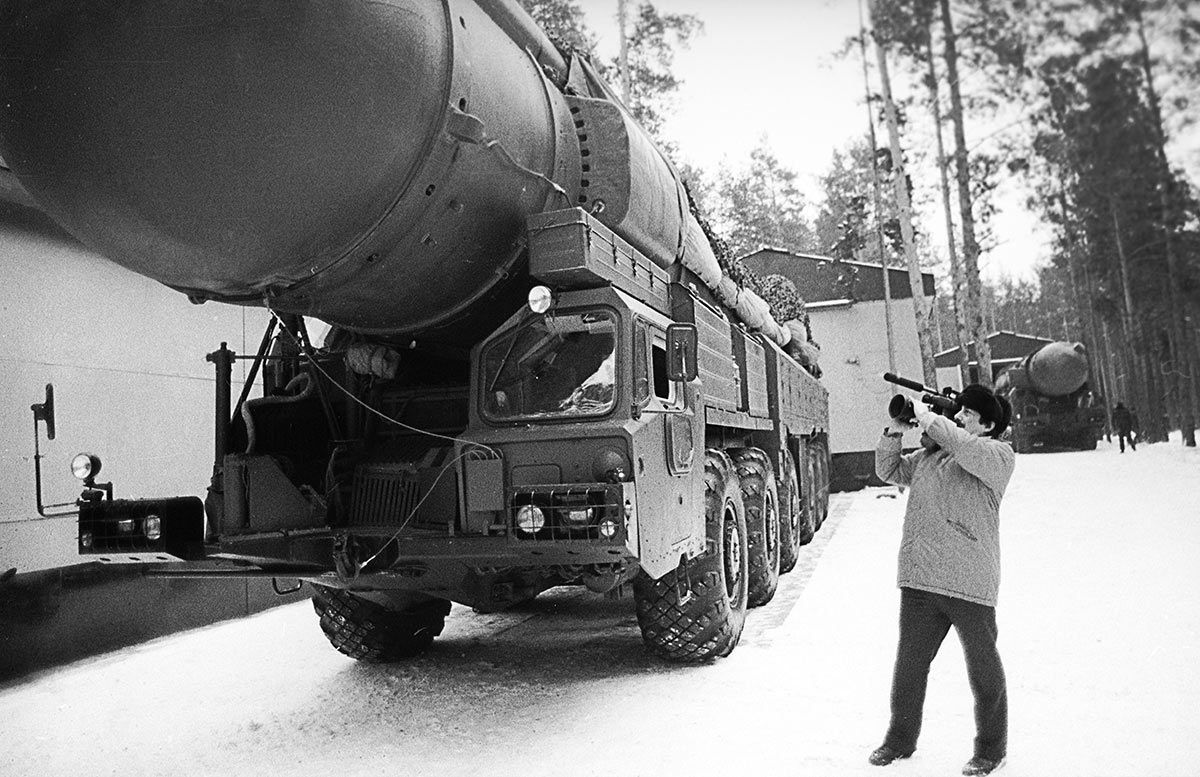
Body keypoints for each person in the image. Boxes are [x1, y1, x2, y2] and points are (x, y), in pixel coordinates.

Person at [871, 384, 1016, 777]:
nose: (960, 417)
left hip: (969, 580)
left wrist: (930, 418)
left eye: (969, 414)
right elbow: (888, 471)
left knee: (983, 669)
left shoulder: (997, 456)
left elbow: (964, 446)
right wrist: (896, 429)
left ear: (988, 425)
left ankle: (991, 750)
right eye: (960, 411)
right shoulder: (930, 457)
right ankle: (899, 740)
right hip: (921, 578)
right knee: (910, 665)